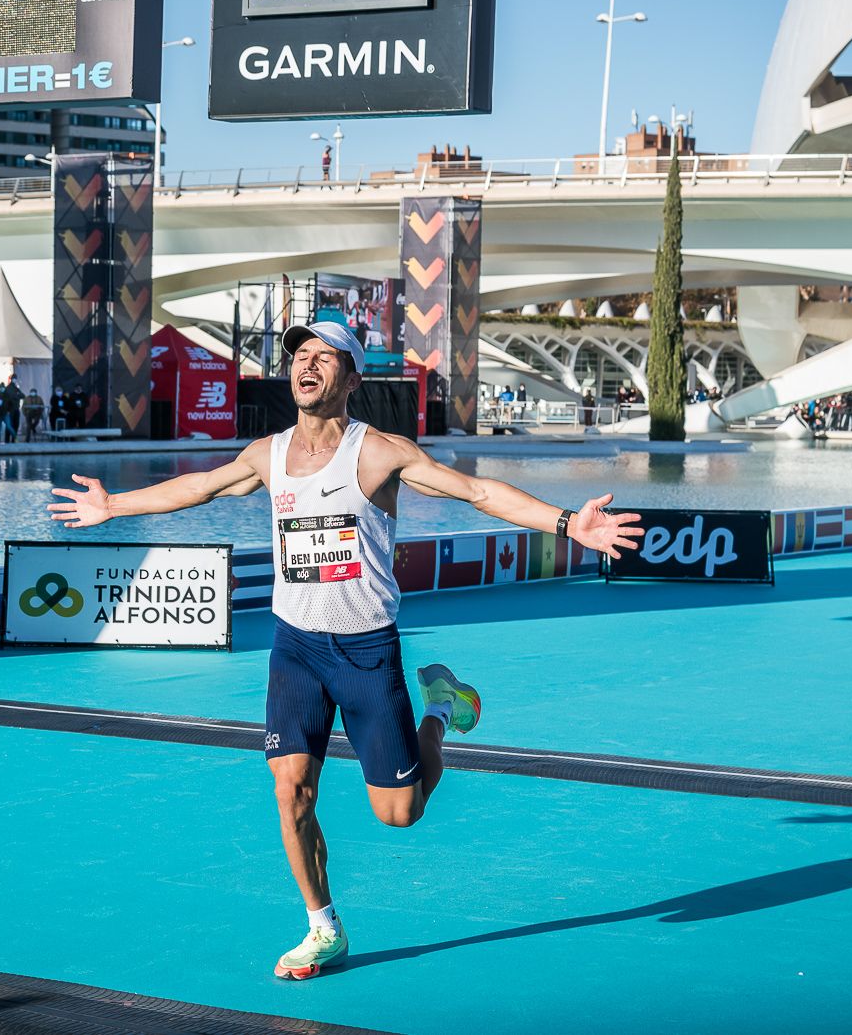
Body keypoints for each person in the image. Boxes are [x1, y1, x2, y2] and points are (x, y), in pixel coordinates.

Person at [47, 320, 644, 981]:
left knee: (400, 814)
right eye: (299, 357)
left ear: (351, 378)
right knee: (290, 788)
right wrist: (114, 507)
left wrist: (566, 522)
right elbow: (200, 488)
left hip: (366, 653)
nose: (306, 367)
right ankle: (322, 928)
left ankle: (442, 707)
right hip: (295, 649)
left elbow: (477, 491)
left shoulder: (380, 453)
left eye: (323, 358)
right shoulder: (266, 455)